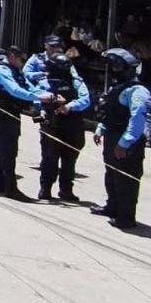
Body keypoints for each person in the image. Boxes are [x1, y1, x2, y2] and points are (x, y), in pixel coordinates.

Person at [0, 46, 55, 200]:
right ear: (11, 56)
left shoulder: (14, 70)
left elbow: (29, 87)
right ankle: (11, 188)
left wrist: (49, 95)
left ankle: (0, 184)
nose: (23, 63)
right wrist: (41, 98)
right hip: (1, 113)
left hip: (11, 112)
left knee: (5, 149)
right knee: (8, 151)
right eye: (21, 59)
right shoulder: (1, 70)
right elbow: (15, 90)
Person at [91, 48, 151, 230]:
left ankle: (126, 217)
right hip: (111, 136)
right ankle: (112, 207)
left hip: (126, 141)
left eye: (116, 66)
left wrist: (125, 142)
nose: (113, 70)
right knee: (112, 175)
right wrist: (100, 128)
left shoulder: (138, 91)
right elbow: (110, 111)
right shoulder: (117, 87)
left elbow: (138, 119)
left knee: (127, 180)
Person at [36, 53, 91, 202]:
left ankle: (66, 190)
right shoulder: (44, 82)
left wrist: (69, 106)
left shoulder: (76, 82)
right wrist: (51, 100)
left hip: (73, 125)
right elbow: (36, 97)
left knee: (70, 160)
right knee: (49, 159)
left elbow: (86, 100)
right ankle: (45, 188)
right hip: (52, 125)